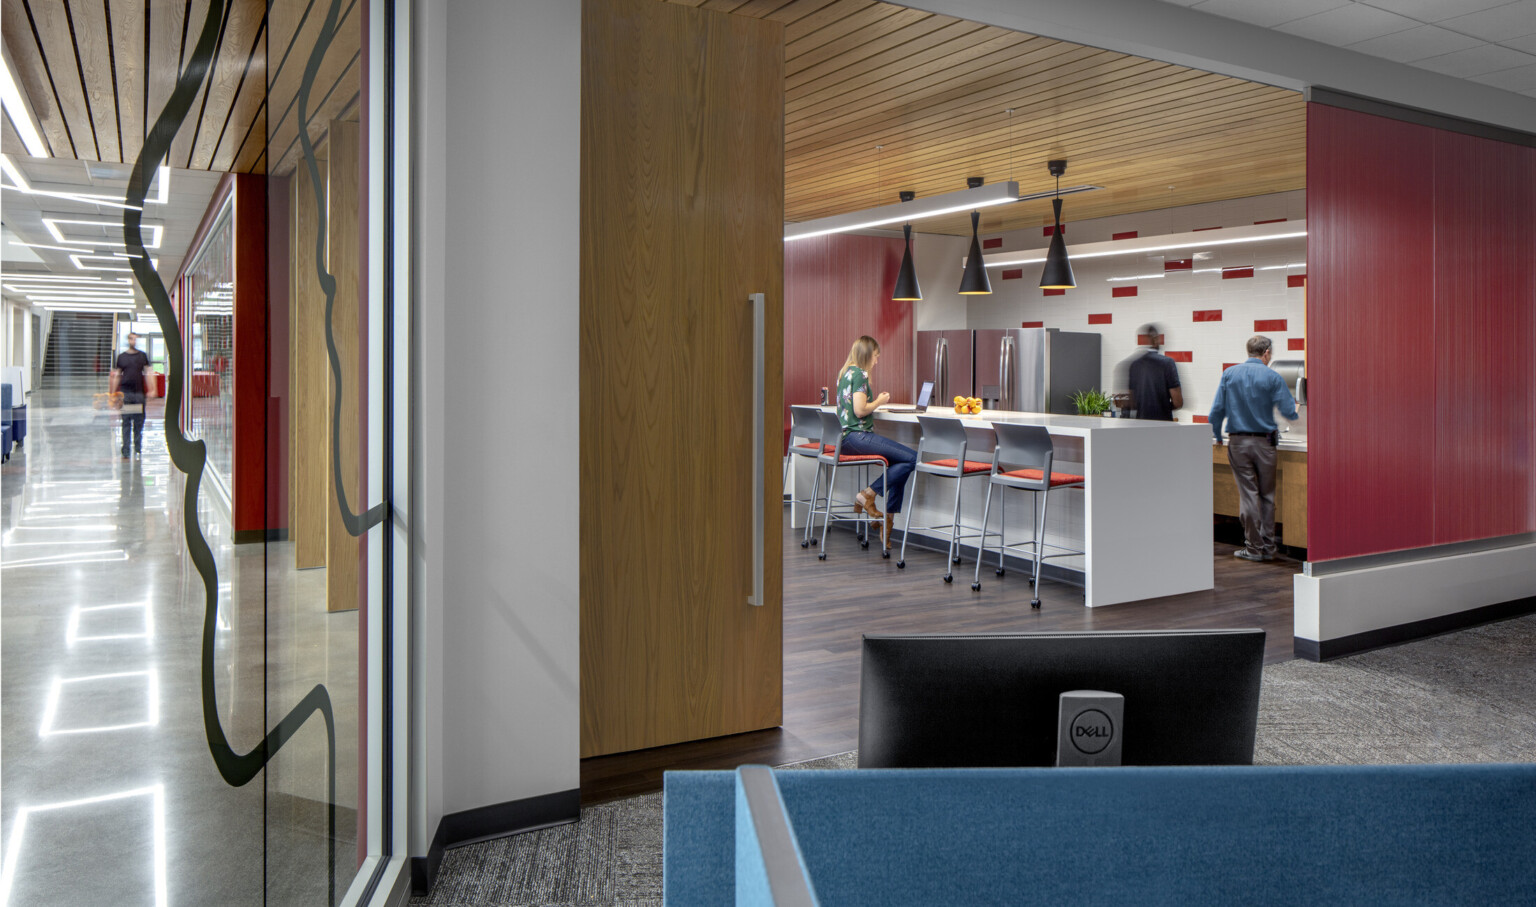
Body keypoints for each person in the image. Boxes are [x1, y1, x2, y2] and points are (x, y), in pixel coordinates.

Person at [1208, 335, 1299, 562]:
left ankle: (1253, 547)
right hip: (1266, 443)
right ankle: (1268, 547)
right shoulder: (1273, 376)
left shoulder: (1229, 374)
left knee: (1249, 494)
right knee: (1267, 495)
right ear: (1266, 352)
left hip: (1238, 442)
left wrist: (1218, 434)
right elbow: (1289, 411)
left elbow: (1217, 410)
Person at [835, 335, 916, 550]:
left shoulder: (845, 373)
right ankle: (867, 494)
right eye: (876, 357)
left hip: (846, 439)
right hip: (858, 437)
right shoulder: (860, 374)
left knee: (903, 464)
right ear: (867, 355)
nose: (876, 361)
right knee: (913, 458)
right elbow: (860, 410)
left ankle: (886, 524)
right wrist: (879, 401)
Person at [1116, 323, 1182, 421]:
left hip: (1140, 426)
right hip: (1163, 426)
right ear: (1154, 339)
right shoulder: (1168, 363)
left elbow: (1130, 402)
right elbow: (1178, 402)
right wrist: (1162, 408)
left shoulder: (1133, 365)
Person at [112, 333, 150, 458]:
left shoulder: (142, 356)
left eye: (136, 339)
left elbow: (148, 372)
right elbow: (117, 375)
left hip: (139, 394)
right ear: (128, 340)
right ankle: (126, 450)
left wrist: (152, 389)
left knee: (139, 422)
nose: (135, 341)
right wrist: (113, 393)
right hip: (126, 394)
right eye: (132, 338)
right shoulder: (122, 357)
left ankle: (138, 447)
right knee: (126, 422)